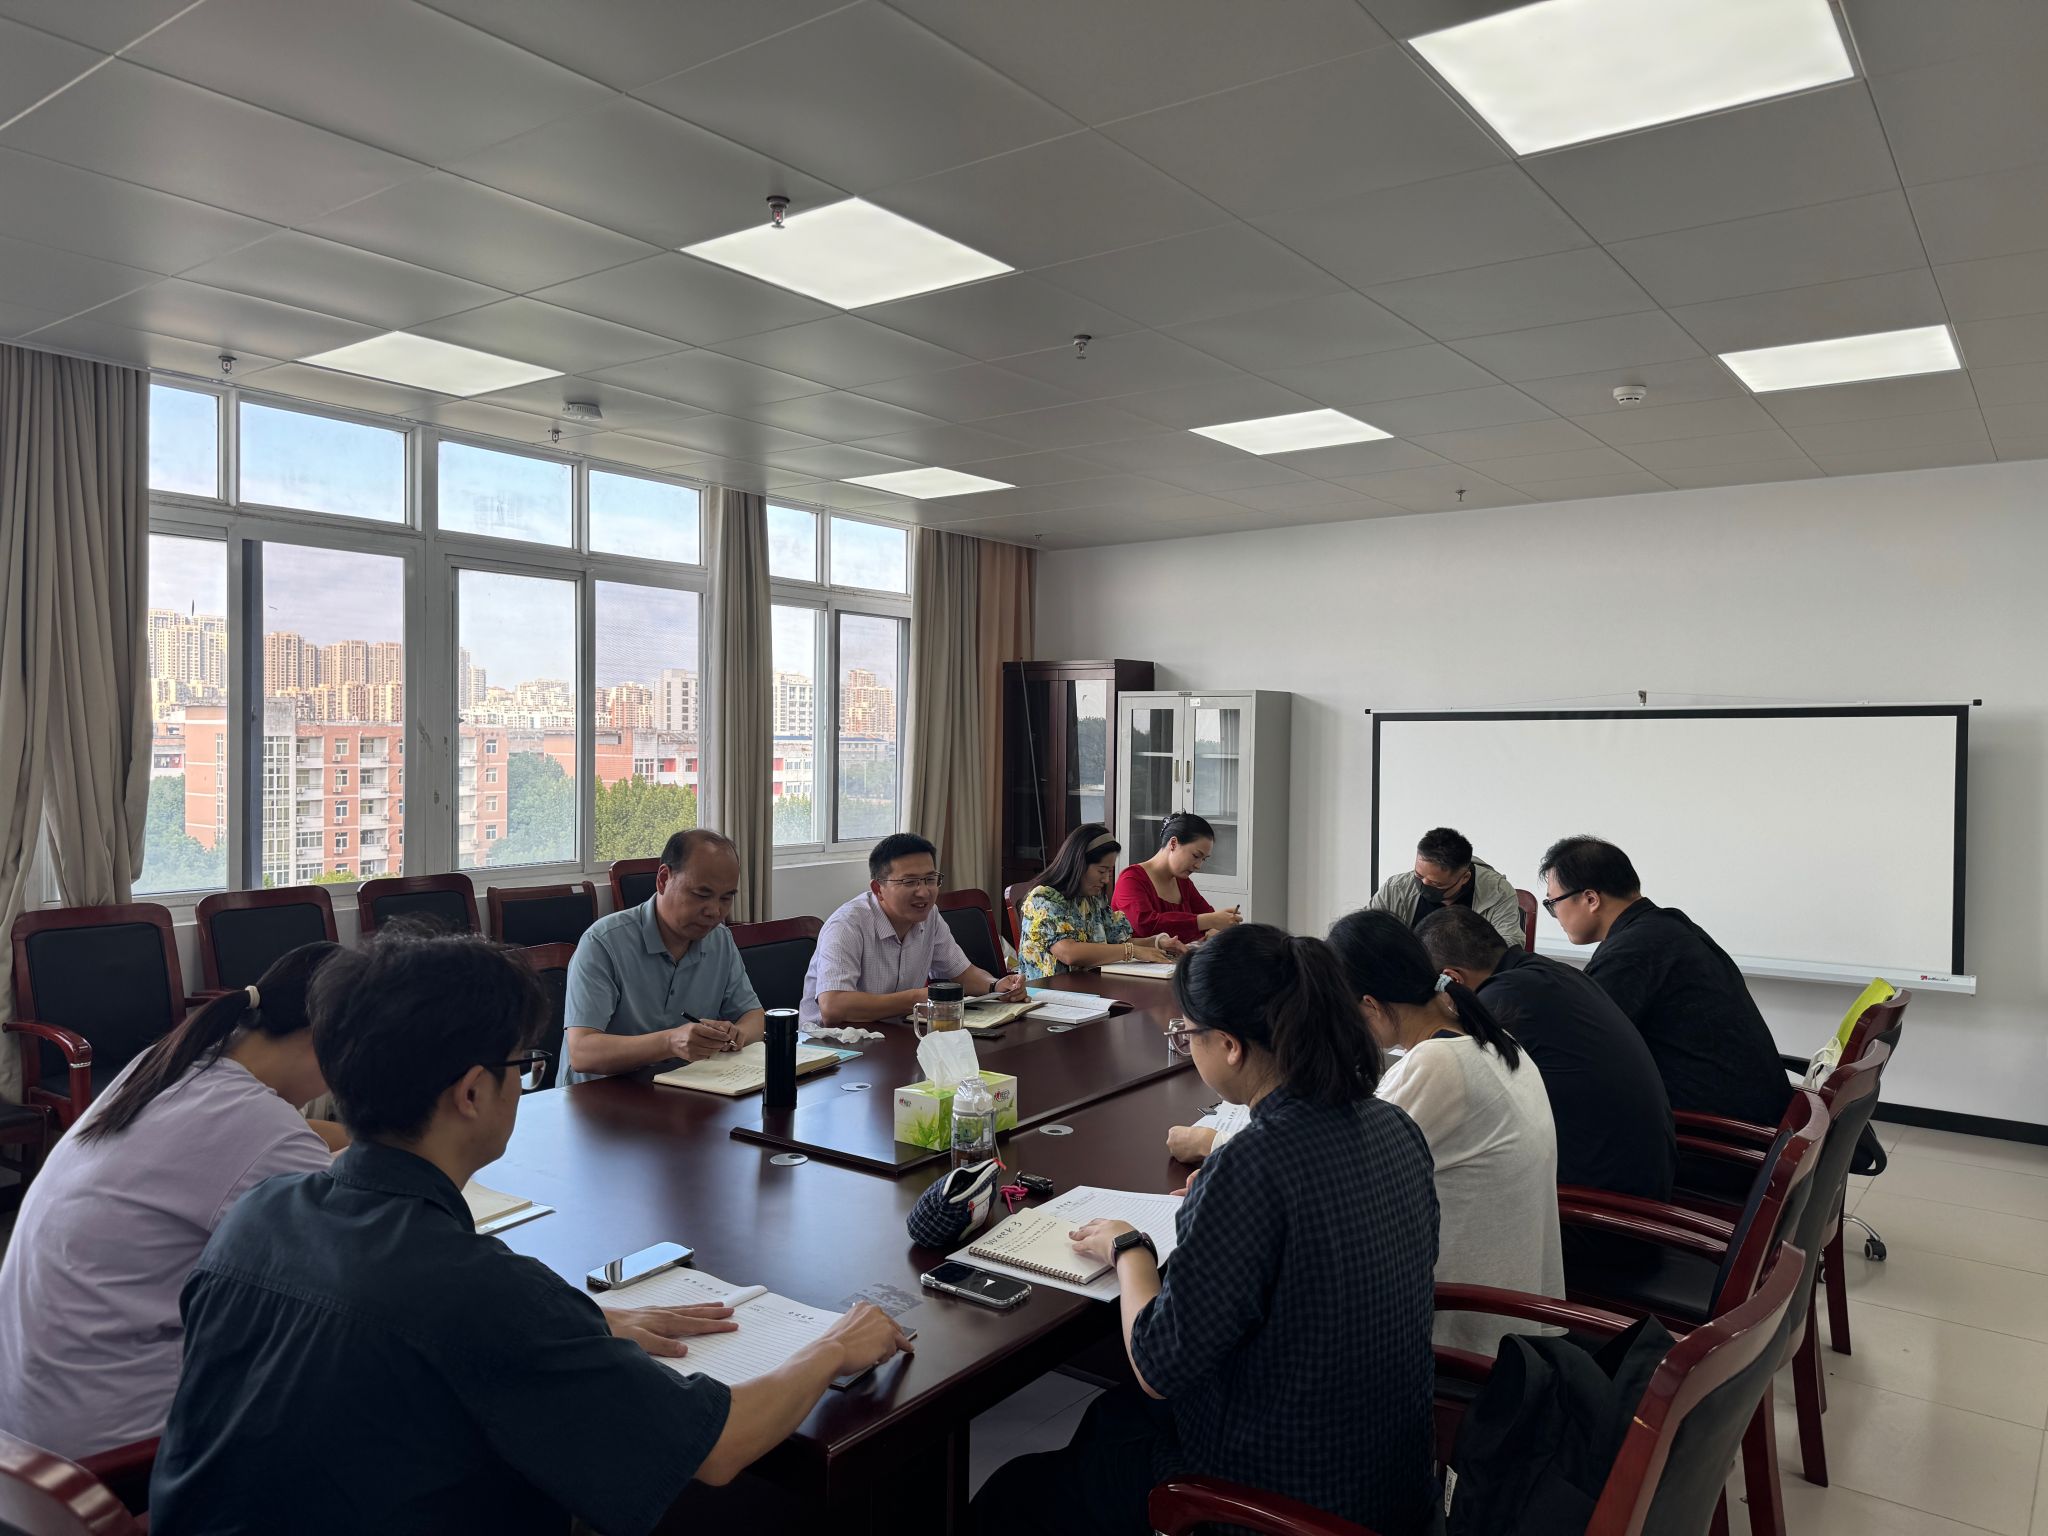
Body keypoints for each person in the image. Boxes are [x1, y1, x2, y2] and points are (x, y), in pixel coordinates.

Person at [149, 929, 911, 1536]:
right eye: (522, 1064)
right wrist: (834, 1347)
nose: (524, 1081)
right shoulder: (477, 1287)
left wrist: (585, 1325)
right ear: (472, 1093)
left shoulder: (260, 1215)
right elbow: (715, 1448)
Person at [972, 925, 1438, 1536]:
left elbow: (1157, 1367)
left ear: (1230, 1045)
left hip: (1279, 1499)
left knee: (1015, 1495)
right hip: (1391, 1480)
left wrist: (1129, 1247)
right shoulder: (1393, 1126)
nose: (1187, 1045)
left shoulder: (1254, 1164)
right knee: (1107, 1425)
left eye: (1188, 1033)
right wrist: (1224, 1211)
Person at [0, 942, 347, 1461]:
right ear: (325, 1040)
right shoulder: (262, 1129)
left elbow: (283, 1140)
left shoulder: (174, 1064)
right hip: (111, 1448)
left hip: (25, 1416)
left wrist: (358, 1139)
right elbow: (357, 1269)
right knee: (352, 1366)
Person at [1327, 909, 1565, 1357]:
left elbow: (1334, 1169)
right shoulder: (1494, 1039)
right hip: (1516, 1311)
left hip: (1466, 1330)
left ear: (1369, 1005)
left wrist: (1215, 1143)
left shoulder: (1437, 1065)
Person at [1419, 905, 1675, 1201]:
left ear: (1453, 979)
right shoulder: (1545, 973)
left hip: (1599, 1202)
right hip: (1642, 1175)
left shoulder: (1502, 1002)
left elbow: (1457, 1100)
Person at [1539, 836, 1792, 1130]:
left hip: (1721, 1135)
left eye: (1552, 903)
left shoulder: (1632, 951)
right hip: (1758, 1118)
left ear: (1591, 899)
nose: (1554, 915)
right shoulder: (1667, 926)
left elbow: (1573, 1047)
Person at [565, 827, 764, 1080]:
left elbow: (755, 1017)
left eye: (726, 899)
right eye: (701, 895)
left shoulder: (719, 940)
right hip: (600, 1096)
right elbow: (582, 1052)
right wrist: (669, 1042)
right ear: (663, 879)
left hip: (685, 1088)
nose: (714, 911)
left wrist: (737, 1034)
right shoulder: (603, 943)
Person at [800, 832, 1023, 1027]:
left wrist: (996, 986)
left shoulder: (930, 915)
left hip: (893, 1036)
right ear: (878, 889)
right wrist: (914, 999)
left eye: (930, 879)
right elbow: (833, 1007)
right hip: (830, 1047)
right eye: (909, 882)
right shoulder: (847, 925)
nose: (924, 892)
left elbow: (962, 973)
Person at [1017, 824, 1188, 981]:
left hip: (1085, 986)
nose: (1106, 879)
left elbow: (1117, 942)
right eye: (1101, 871)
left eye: (1109, 872)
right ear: (1079, 863)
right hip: (1047, 992)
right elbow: (1068, 952)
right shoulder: (1043, 898)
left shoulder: (1093, 898)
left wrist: (1157, 942)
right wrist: (1131, 951)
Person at [1367, 826, 1524, 948]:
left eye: (1436, 883)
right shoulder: (1396, 888)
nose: (1424, 885)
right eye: (1419, 876)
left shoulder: (1497, 892)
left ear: (1464, 878)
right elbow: (1366, 931)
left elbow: (1510, 944)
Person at [1111, 812, 1242, 942]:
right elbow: (1145, 925)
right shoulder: (1131, 879)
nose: (1198, 866)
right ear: (1173, 843)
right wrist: (1209, 920)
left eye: (1204, 859)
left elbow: (1206, 914)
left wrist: (1215, 926)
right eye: (1196, 856)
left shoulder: (1183, 882)